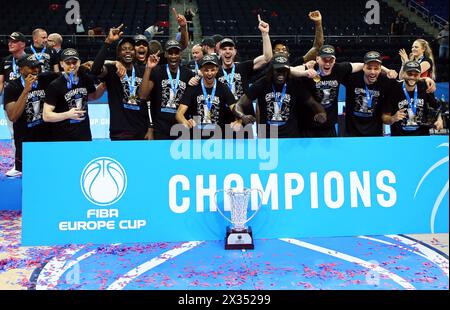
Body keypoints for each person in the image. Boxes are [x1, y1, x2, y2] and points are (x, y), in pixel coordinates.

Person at [299, 45, 397, 137]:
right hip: (310, 127)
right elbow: (289, 70)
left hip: (332, 127)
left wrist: (388, 70)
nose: (327, 63)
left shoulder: (385, 81)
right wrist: (305, 68)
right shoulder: (308, 71)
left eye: (376, 68)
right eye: (324, 59)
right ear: (317, 59)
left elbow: (365, 64)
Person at [233, 53, 326, 138]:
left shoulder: (295, 84)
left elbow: (313, 103)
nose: (281, 73)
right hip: (268, 136)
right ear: (271, 70)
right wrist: (242, 116)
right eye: (277, 70)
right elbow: (238, 105)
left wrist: (321, 113)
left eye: (284, 70)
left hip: (290, 137)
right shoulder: (261, 83)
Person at [91, 24, 151, 141]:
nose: (128, 51)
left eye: (131, 49)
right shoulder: (112, 70)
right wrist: (108, 42)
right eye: (124, 49)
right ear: (119, 53)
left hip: (141, 129)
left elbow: (148, 102)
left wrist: (149, 127)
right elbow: (95, 70)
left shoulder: (143, 71)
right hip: (120, 131)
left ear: (135, 52)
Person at [3, 54, 59, 174]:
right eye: (31, 67)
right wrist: (26, 90)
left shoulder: (45, 79)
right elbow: (13, 116)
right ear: (21, 69)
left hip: (46, 138)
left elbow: (64, 74)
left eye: (37, 67)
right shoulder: (12, 87)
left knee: (48, 172)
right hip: (25, 141)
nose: (36, 70)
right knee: (28, 175)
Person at [43, 48, 105, 141]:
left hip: (84, 135)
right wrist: (68, 115)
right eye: (68, 63)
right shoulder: (55, 85)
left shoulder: (85, 79)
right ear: (61, 64)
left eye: (74, 62)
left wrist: (105, 83)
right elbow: (46, 116)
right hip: (62, 137)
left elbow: (93, 96)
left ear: (79, 62)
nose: (72, 65)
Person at [139, 40, 194, 140]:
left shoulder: (188, 74)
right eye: (170, 53)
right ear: (165, 54)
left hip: (181, 127)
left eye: (176, 53)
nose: (173, 56)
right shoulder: (157, 71)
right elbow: (142, 96)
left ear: (180, 54)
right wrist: (148, 68)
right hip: (161, 128)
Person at [175, 54, 236, 139]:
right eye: (206, 70)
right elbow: (179, 114)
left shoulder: (223, 88)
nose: (210, 73)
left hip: (218, 138)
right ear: (201, 71)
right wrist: (185, 122)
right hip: (197, 138)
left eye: (212, 70)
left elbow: (235, 109)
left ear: (217, 70)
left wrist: (238, 121)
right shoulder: (193, 88)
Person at [382, 61, 443, 136]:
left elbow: (437, 106)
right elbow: (384, 117)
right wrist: (393, 118)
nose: (412, 77)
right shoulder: (393, 88)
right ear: (403, 73)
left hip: (422, 137)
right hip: (400, 138)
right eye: (409, 74)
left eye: (416, 74)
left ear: (419, 75)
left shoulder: (425, 86)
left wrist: (439, 119)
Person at [342, 51, 395, 137]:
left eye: (376, 69)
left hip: (375, 134)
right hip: (352, 134)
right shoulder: (352, 78)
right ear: (363, 67)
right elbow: (339, 68)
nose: (372, 72)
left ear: (380, 69)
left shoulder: (385, 81)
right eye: (369, 68)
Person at [0, 32, 27, 177]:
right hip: (10, 102)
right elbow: (1, 82)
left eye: (14, 41)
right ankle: (18, 165)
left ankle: (32, 161)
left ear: (22, 44)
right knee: (13, 134)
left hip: (28, 101)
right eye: (9, 41)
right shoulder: (5, 60)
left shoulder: (30, 60)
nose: (10, 43)